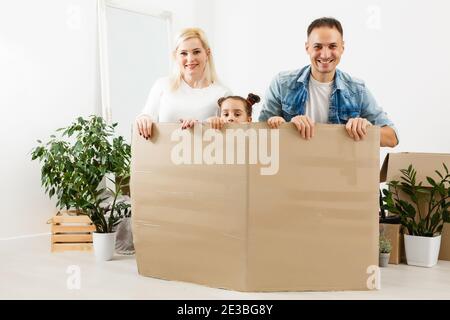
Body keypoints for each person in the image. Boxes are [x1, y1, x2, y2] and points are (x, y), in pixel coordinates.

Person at [259, 17, 399, 147]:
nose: (325, 54)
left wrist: (365, 129)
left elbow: (392, 138)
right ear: (307, 48)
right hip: (292, 169)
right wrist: (286, 127)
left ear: (342, 48)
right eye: (317, 47)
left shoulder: (357, 90)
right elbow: (259, 136)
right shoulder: (282, 84)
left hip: (339, 171)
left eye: (332, 46)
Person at [136, 28, 231, 139]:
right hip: (164, 155)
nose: (190, 59)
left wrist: (206, 124)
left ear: (207, 53)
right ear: (175, 56)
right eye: (183, 53)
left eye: (196, 52)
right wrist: (143, 119)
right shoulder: (162, 85)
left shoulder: (223, 94)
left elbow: (233, 134)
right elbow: (147, 114)